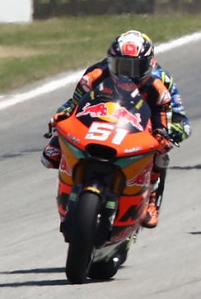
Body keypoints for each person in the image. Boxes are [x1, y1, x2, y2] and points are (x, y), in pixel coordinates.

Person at [43, 32, 182, 228]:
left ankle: (151, 199)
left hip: (137, 127)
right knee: (57, 132)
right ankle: (58, 149)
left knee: (161, 154)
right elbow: (74, 104)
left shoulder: (157, 89)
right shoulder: (94, 76)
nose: (128, 73)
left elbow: (163, 115)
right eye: (121, 66)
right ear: (111, 61)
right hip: (98, 119)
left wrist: (161, 134)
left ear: (148, 65)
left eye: (135, 67)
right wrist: (62, 116)